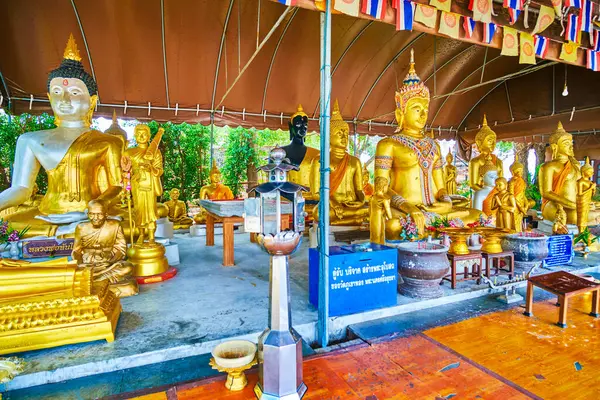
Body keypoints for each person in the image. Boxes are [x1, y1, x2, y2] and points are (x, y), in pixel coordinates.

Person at [72, 200, 138, 297]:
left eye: (99, 214)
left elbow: (121, 249)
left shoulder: (115, 225)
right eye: (92, 214)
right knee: (71, 272)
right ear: (87, 214)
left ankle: (93, 281)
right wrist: (80, 263)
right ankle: (99, 280)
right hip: (87, 265)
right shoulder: (81, 227)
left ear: (106, 214)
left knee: (128, 267)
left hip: (108, 265)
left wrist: (110, 261)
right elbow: (76, 251)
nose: (95, 218)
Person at [369, 177, 393, 245]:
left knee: (373, 237)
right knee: (379, 238)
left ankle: (373, 253)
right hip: (379, 219)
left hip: (372, 219)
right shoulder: (384, 200)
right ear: (383, 187)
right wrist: (388, 204)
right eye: (386, 186)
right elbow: (390, 216)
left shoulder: (372, 197)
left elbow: (369, 211)